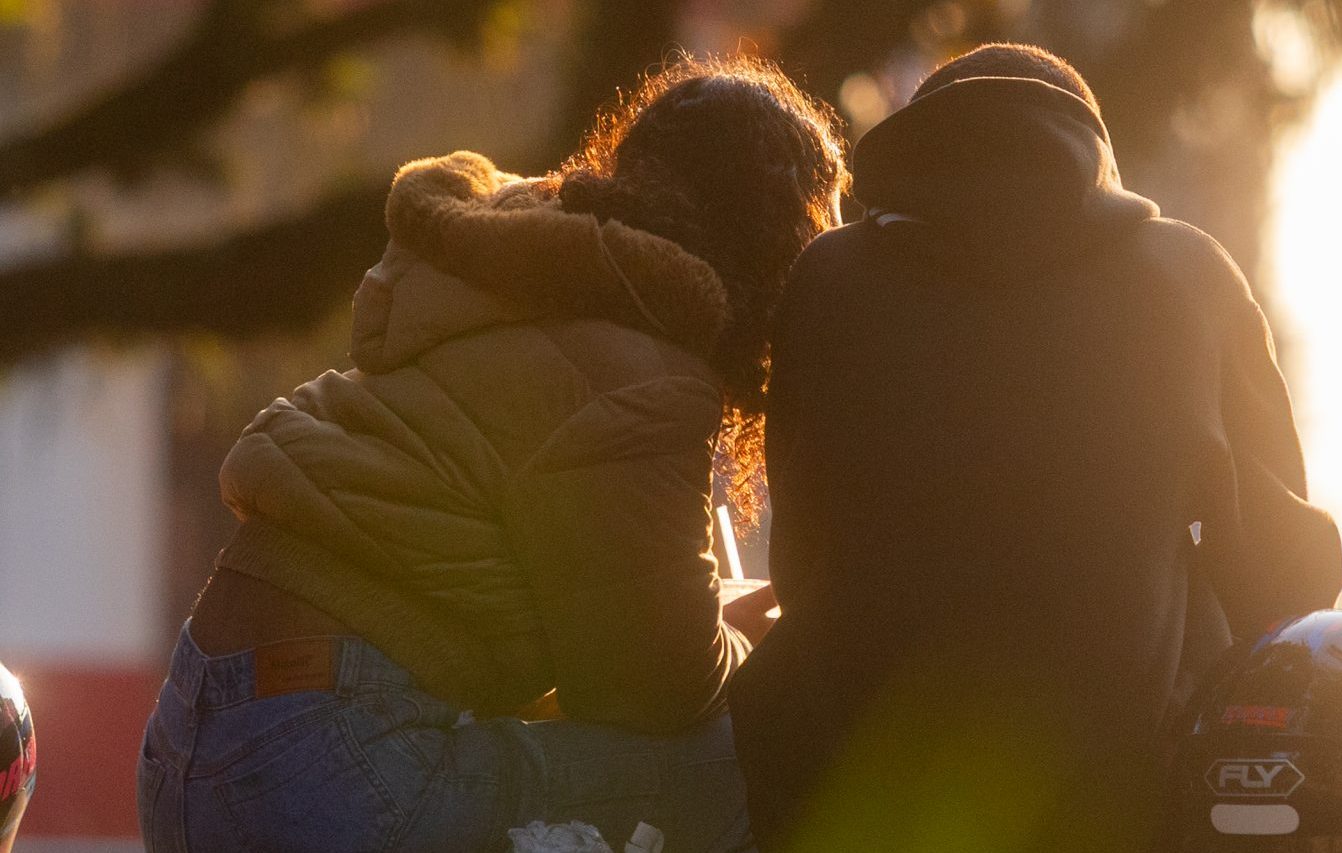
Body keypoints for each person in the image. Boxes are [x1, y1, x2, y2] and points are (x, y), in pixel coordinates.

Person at [136, 56, 847, 853]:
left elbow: (595, 605)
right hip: (327, 768)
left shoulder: (536, 277)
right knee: (746, 761)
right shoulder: (644, 364)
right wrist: (766, 647)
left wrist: (709, 616)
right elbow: (652, 692)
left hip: (195, 745)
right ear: (769, 250)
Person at [729, 44, 1342, 852]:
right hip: (1109, 794)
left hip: (845, 782)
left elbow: (801, 560)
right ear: (1096, 160)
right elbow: (1283, 578)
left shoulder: (827, 278)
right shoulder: (1186, 275)